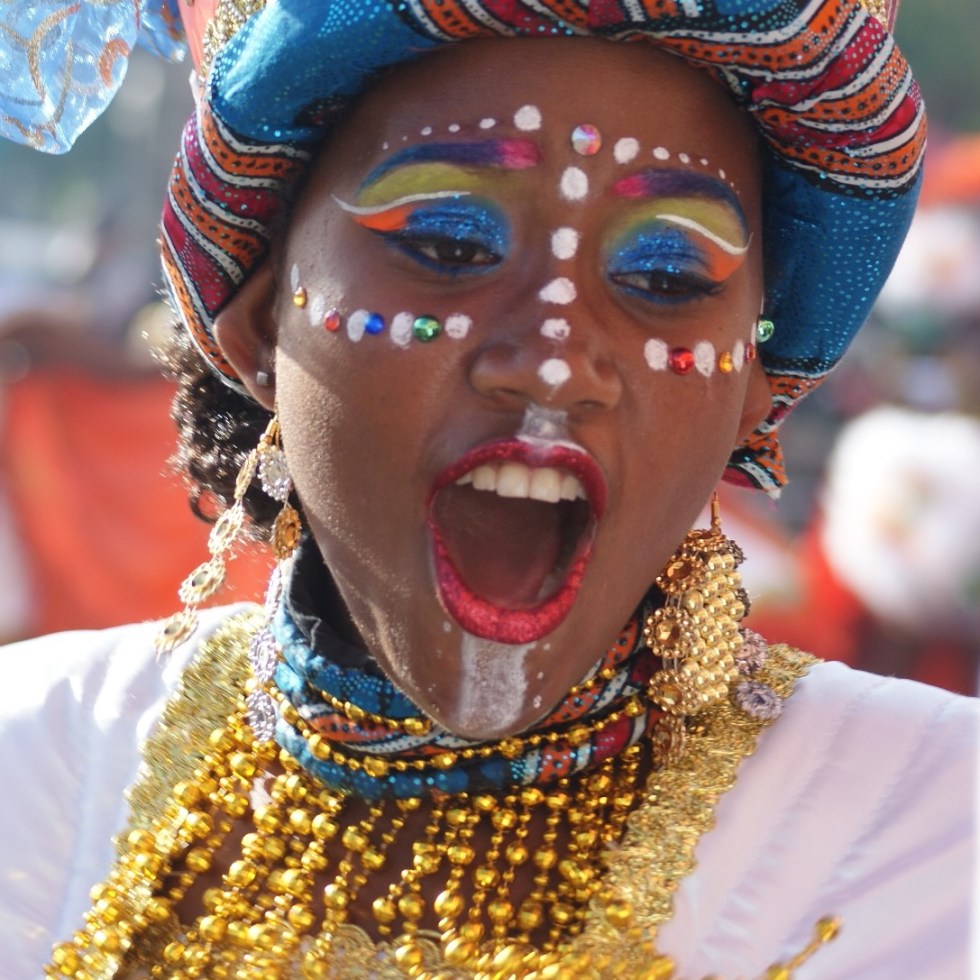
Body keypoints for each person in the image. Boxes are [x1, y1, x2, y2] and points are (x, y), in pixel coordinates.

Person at [1, 2, 975, 978]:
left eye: (667, 275)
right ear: (259, 326)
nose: (554, 365)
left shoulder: (936, 844)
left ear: (751, 387)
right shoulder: (33, 761)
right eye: (451, 245)